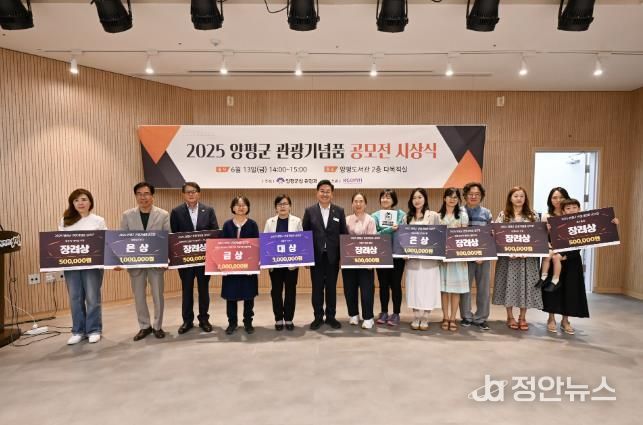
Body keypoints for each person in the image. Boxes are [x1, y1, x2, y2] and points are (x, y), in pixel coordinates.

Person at [542, 198, 619, 335]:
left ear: (579, 209)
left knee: (570, 291)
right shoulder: (556, 223)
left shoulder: (585, 222)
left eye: (574, 207)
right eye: (568, 208)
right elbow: (547, 240)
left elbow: (596, 233)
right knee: (553, 291)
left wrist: (611, 223)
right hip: (556, 259)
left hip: (572, 261)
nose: (571, 210)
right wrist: (547, 231)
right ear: (563, 211)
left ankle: (565, 321)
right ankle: (551, 318)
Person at [121, 182, 171, 341]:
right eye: (139, 194)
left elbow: (168, 238)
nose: (143, 197)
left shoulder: (163, 214)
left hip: (157, 264)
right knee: (139, 296)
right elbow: (122, 239)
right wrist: (120, 261)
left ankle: (157, 326)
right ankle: (144, 326)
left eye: (146, 193)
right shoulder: (127, 215)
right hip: (136, 264)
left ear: (152, 195)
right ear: (136, 196)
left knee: (158, 295)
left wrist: (166, 259)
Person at [59, 189, 107, 345]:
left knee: (92, 298)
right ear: (72, 203)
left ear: (90, 202)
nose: (80, 203)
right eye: (76, 200)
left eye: (84, 199)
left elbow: (104, 242)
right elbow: (60, 243)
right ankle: (78, 331)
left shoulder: (98, 220)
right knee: (75, 298)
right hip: (71, 266)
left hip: (93, 266)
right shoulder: (65, 220)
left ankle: (94, 330)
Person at [170, 182, 219, 334]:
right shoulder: (176, 212)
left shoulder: (208, 210)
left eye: (194, 191)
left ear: (199, 193)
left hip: (204, 260)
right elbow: (174, 236)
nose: (191, 194)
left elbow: (214, 233)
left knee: (204, 290)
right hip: (185, 260)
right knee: (186, 290)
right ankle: (187, 321)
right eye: (188, 192)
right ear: (183, 194)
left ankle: (204, 319)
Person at [492, 186, 543, 331]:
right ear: (510, 198)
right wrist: (507, 250)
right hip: (508, 259)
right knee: (508, 285)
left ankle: (522, 317)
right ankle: (510, 317)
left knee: (526, 286)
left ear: (525, 198)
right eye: (516, 196)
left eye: (522, 196)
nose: (519, 199)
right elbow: (498, 236)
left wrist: (528, 251)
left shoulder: (533, 215)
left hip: (528, 259)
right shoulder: (503, 215)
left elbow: (538, 236)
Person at [302, 179, 348, 330]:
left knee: (331, 288)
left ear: (332, 194)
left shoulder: (339, 211)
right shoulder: (310, 211)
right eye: (322, 191)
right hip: (316, 257)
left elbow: (343, 234)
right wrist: (307, 258)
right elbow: (305, 235)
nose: (325, 194)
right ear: (317, 193)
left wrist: (343, 257)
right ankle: (317, 317)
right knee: (317, 288)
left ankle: (331, 317)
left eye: (328, 191)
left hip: (333, 257)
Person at [263, 194, 303, 331]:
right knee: (276, 291)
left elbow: (301, 241)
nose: (282, 206)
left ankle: (289, 318)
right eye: (279, 204)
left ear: (290, 206)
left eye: (285, 204)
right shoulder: (270, 222)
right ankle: (279, 318)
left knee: (291, 291)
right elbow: (266, 243)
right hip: (275, 264)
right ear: (276, 207)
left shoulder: (297, 221)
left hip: (291, 264)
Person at [221, 196, 260, 335]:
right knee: (231, 296)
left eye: (244, 205)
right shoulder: (227, 225)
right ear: (233, 208)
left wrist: (253, 265)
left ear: (248, 207)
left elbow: (256, 246)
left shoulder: (253, 225)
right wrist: (223, 266)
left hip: (248, 268)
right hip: (230, 267)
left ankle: (248, 322)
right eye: (238, 205)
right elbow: (222, 246)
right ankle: (232, 323)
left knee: (249, 296)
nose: (241, 207)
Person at [405, 188, 441, 331]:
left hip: (429, 261)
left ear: (425, 199)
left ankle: (425, 317)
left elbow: (440, 236)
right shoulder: (407, 218)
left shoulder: (433, 216)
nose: (417, 200)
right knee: (414, 288)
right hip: (413, 261)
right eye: (414, 198)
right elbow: (403, 239)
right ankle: (416, 316)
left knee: (428, 289)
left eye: (420, 197)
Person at [460, 182, 493, 331]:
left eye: (477, 194)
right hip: (464, 257)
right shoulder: (459, 212)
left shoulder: (487, 213)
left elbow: (491, 236)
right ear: (465, 195)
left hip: (482, 258)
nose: (473, 196)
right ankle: (466, 317)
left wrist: (483, 255)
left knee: (484, 289)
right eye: (470, 194)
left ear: (481, 196)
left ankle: (481, 318)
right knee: (464, 289)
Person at [371, 189, 406, 327]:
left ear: (394, 200)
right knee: (383, 284)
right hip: (381, 255)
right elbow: (375, 235)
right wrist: (390, 229)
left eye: (388, 197)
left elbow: (405, 233)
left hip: (397, 254)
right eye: (383, 197)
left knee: (396, 285)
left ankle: (396, 313)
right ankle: (384, 312)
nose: (385, 200)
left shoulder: (401, 214)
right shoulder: (375, 216)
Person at [343, 192, 377, 329]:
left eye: (361, 201)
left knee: (367, 290)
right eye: (355, 201)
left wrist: (370, 262)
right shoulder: (346, 220)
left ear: (365, 204)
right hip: (349, 261)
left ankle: (368, 317)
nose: (358, 204)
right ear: (352, 204)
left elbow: (373, 241)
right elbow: (343, 240)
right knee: (349, 289)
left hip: (366, 261)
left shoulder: (370, 220)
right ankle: (353, 315)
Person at [438, 188, 470, 332]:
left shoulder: (463, 215)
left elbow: (464, 236)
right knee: (444, 290)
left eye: (455, 197)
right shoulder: (438, 216)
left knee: (456, 290)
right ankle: (445, 317)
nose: (452, 199)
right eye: (450, 197)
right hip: (443, 258)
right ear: (444, 198)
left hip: (457, 258)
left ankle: (452, 318)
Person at [536, 187, 570, 289]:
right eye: (554, 198)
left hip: (568, 250)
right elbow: (542, 236)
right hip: (552, 248)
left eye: (561, 197)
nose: (558, 200)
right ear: (550, 200)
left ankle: (555, 280)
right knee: (547, 257)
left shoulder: (571, 214)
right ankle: (544, 278)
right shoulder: (546, 216)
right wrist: (548, 243)